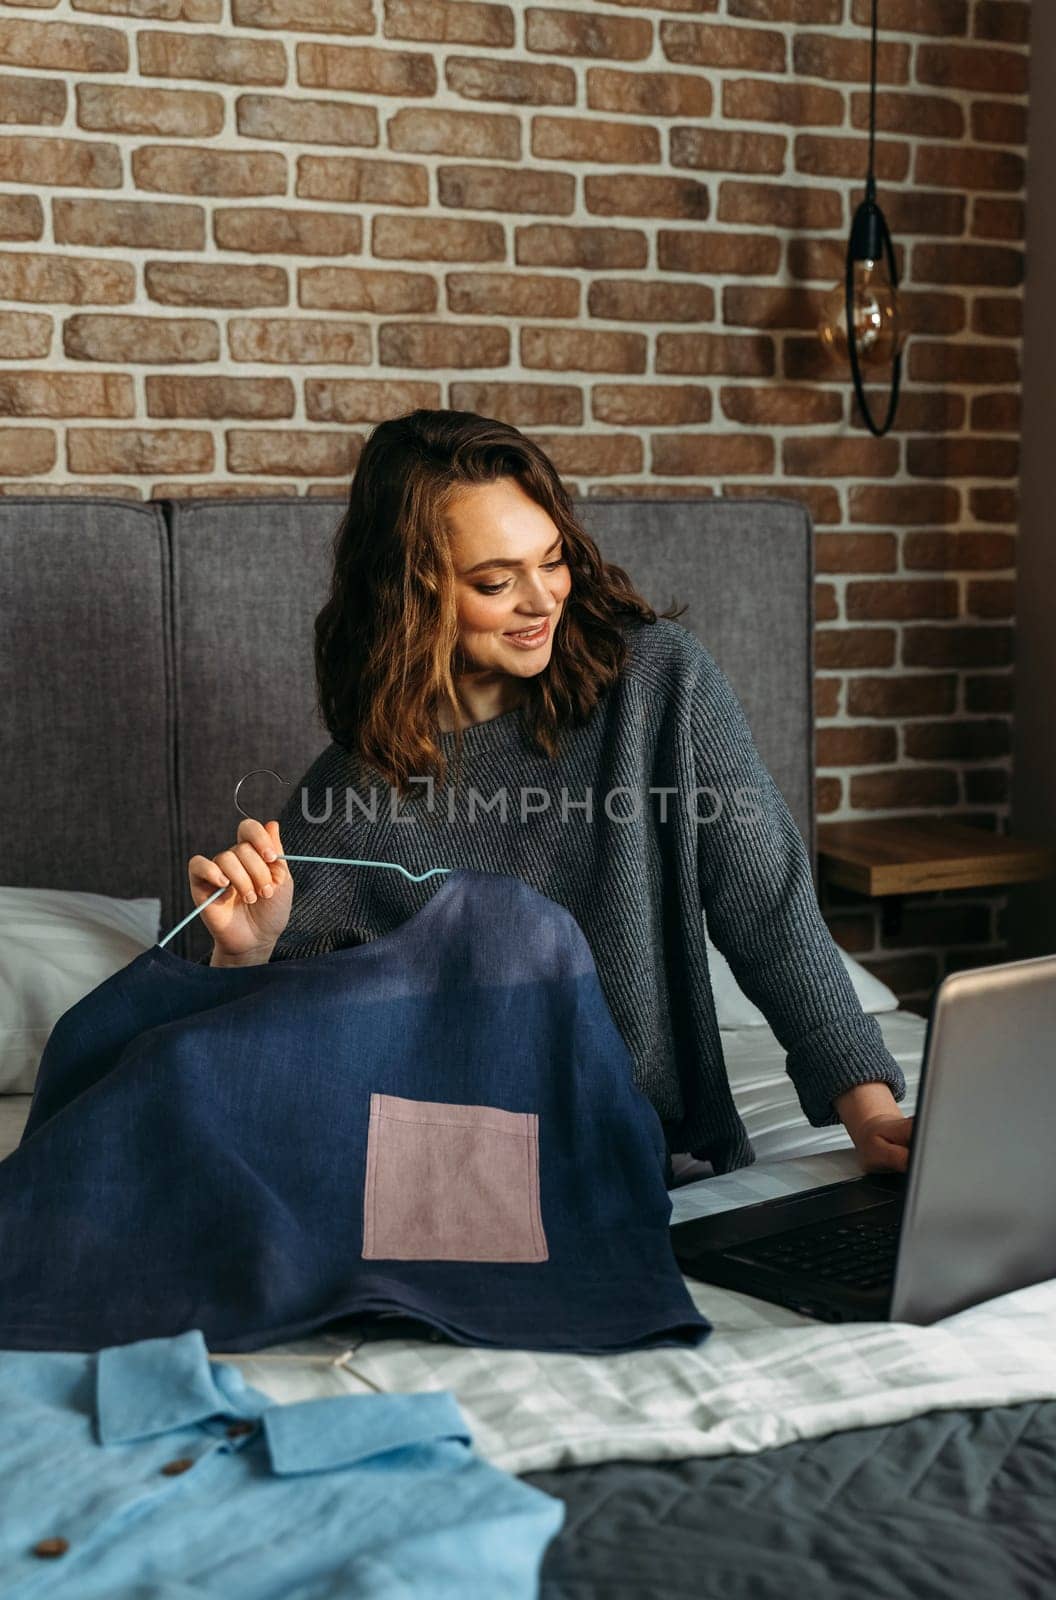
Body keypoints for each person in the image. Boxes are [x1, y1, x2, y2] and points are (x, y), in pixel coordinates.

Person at [188, 409, 913, 1184]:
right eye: (497, 582)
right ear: (412, 592)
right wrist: (244, 950)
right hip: (453, 1176)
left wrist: (870, 1117)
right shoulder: (353, 792)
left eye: (554, 559)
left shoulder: (659, 685)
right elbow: (262, 1069)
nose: (543, 601)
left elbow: (770, 905)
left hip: (648, 1158)